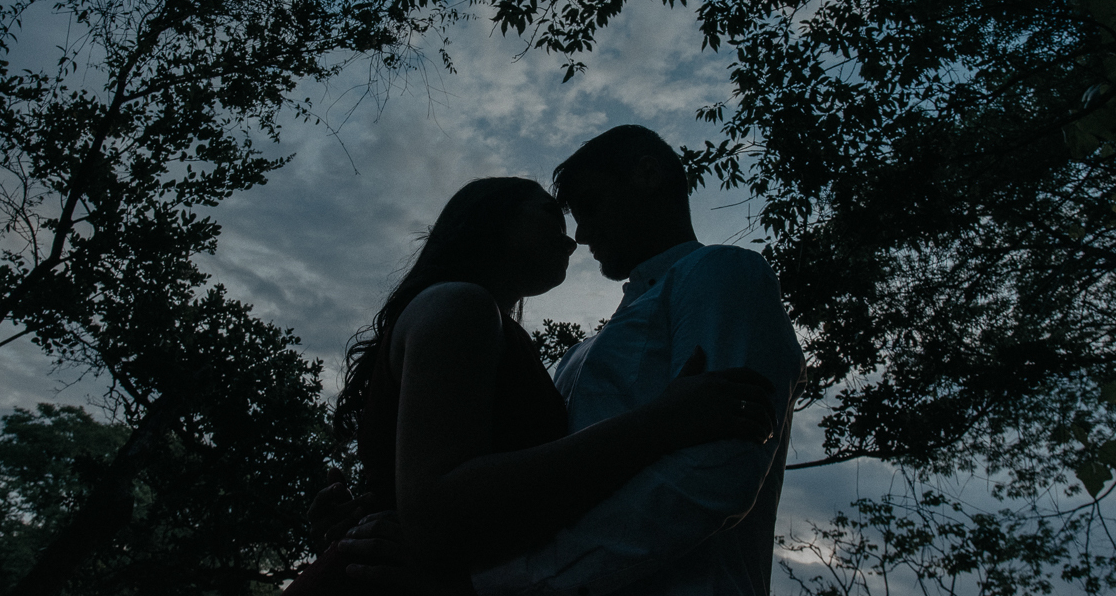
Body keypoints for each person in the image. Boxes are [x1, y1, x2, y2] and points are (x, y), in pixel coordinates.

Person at [285, 175, 777, 594]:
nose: (571, 242)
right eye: (549, 218)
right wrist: (660, 422)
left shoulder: (488, 327)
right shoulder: (460, 306)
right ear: (490, 222)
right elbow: (435, 510)